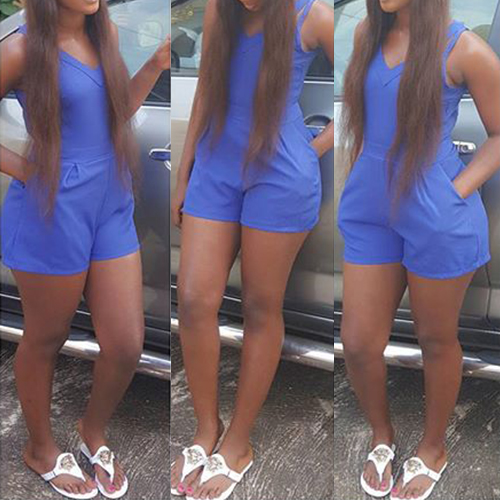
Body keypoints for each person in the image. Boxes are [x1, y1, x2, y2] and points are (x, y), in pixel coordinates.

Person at [0, 0, 170, 498]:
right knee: (46, 337)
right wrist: (25, 170)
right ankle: (40, 448)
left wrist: (155, 66)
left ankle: (91, 430)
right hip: (53, 208)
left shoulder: (104, 34)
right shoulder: (22, 49)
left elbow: (116, 114)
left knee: (125, 343)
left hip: (110, 199)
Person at [170, 0, 334, 499]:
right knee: (194, 300)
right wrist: (184, 171)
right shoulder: (220, 10)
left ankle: (238, 442)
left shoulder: (314, 15)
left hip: (280, 175)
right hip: (216, 166)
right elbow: (206, 89)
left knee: (261, 307)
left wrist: (312, 148)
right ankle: (207, 427)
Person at [337, 0, 500, 499]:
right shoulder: (367, 33)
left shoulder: (463, 47)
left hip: (436, 210)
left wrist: (455, 191)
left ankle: (433, 447)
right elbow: (365, 123)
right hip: (371, 208)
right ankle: (382, 435)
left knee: (435, 339)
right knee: (359, 343)